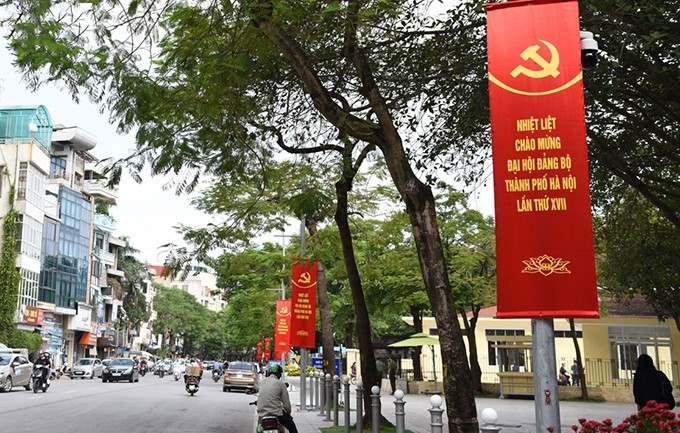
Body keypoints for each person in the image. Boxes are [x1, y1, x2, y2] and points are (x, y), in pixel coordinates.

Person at [257, 364, 299, 433]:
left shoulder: (261, 382)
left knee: (259, 428)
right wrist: (288, 414)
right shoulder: (280, 384)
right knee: (292, 427)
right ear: (279, 374)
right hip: (277, 413)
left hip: (262, 413)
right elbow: (286, 404)